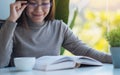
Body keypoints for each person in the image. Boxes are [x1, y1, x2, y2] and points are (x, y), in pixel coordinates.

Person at [0, 0, 112, 68]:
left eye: (44, 3)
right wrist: (11, 20)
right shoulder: (10, 28)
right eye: (33, 3)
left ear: (51, 4)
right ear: (22, 3)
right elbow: (1, 63)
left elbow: (86, 52)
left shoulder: (59, 27)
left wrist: (114, 59)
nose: (39, 10)